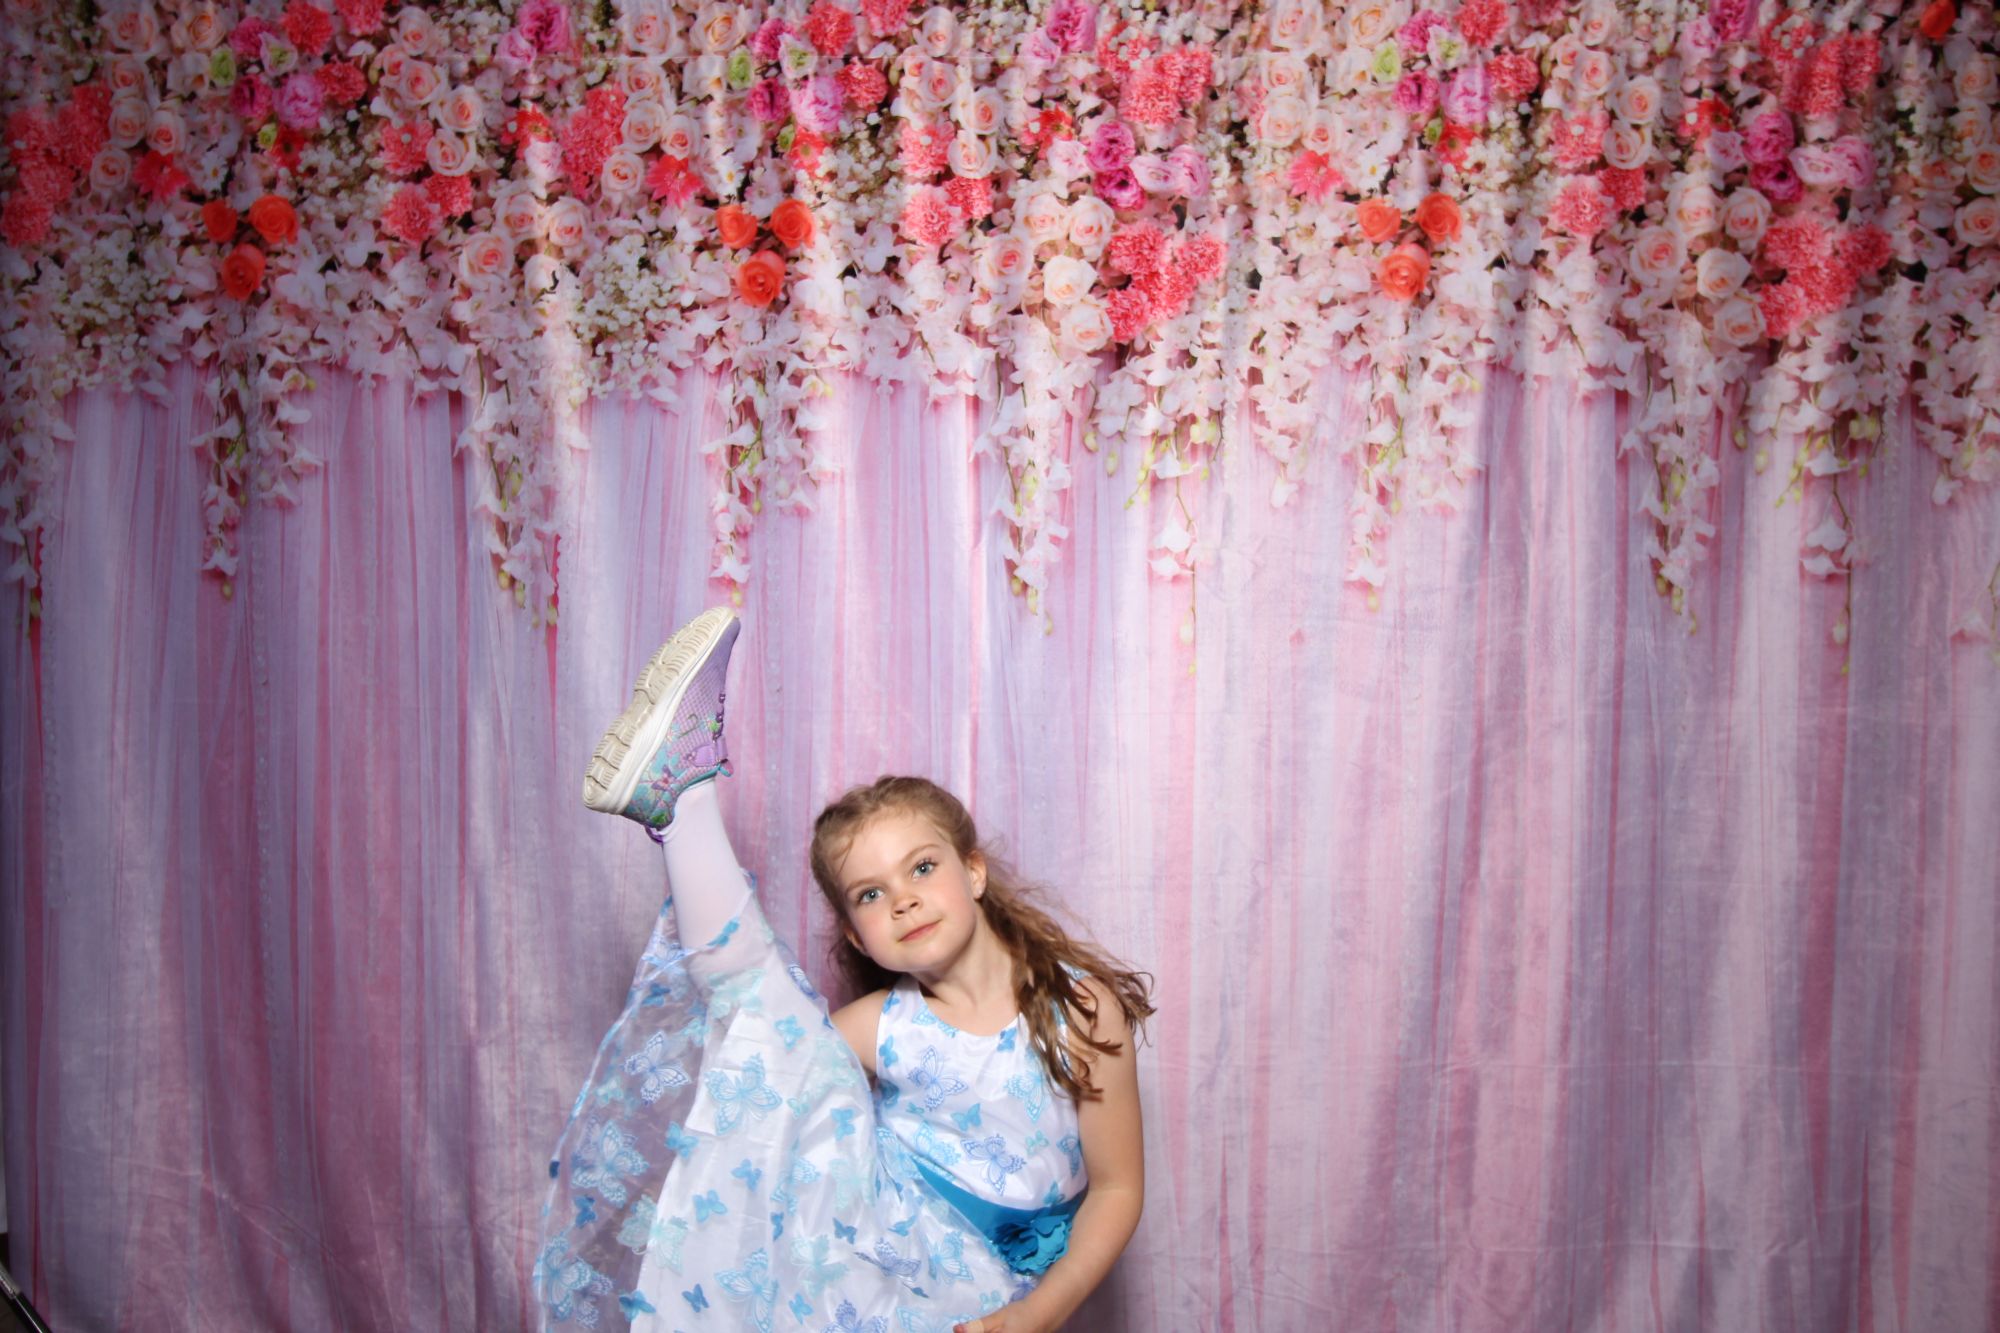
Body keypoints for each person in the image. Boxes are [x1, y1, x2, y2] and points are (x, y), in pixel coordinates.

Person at [535, 607, 1153, 1332]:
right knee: (768, 1036)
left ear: (975, 871)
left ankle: (679, 797)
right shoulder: (879, 1026)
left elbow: (1117, 1188)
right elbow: (758, 1062)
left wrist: (1043, 1311)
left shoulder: (1078, 1009)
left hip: (978, 1286)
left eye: (921, 867)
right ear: (859, 940)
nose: (903, 899)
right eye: (870, 894)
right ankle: (680, 799)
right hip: (875, 1231)